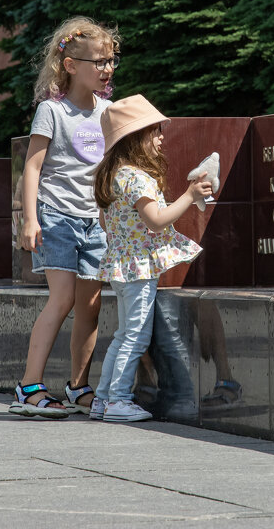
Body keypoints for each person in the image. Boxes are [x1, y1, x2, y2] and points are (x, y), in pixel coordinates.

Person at [11, 17, 121, 418]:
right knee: (62, 299)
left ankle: (78, 387)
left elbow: (113, 169)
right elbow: (33, 168)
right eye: (98, 61)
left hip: (96, 220)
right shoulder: (52, 111)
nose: (107, 68)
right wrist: (29, 219)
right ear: (71, 64)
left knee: (90, 305)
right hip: (56, 216)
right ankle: (28, 387)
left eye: (111, 60)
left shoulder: (109, 112)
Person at [89, 95, 213, 422]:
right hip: (139, 267)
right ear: (134, 139)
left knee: (123, 334)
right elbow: (156, 220)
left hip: (119, 263)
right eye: (154, 132)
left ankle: (102, 399)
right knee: (136, 335)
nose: (161, 137)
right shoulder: (138, 178)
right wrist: (189, 195)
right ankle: (117, 400)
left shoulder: (110, 175)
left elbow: (105, 222)